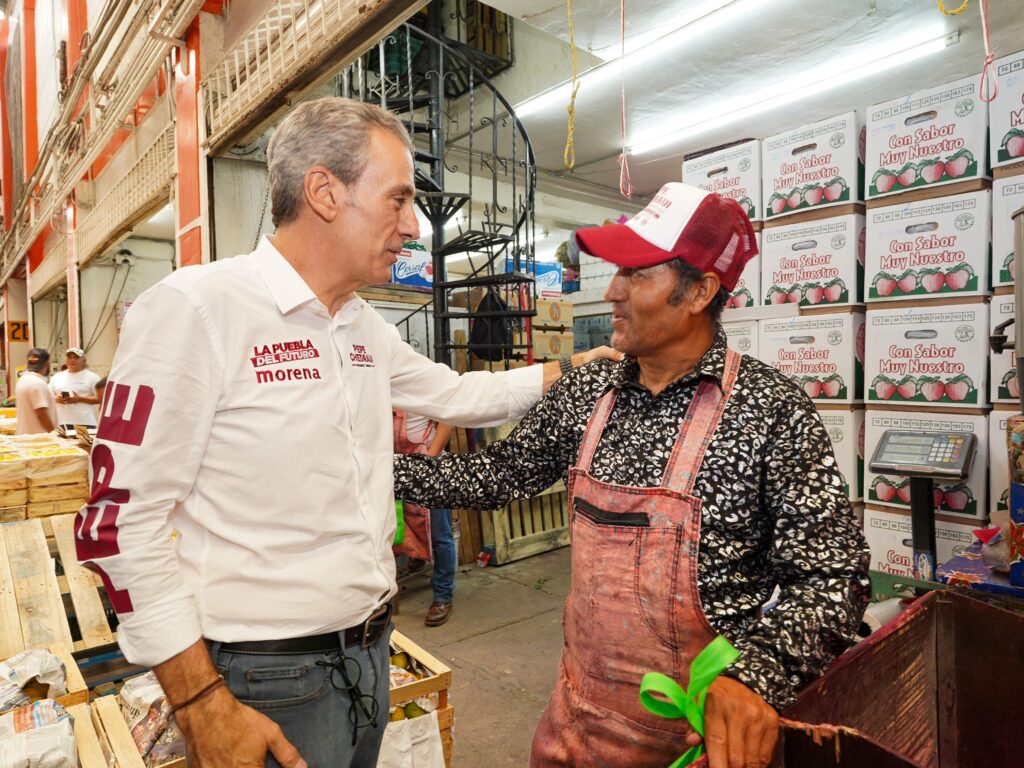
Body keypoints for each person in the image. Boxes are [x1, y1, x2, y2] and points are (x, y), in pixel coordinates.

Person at [75, 96, 617, 768]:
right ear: (325, 193)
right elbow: (118, 523)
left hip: (365, 658)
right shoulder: (199, 310)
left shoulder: (358, 325)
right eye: (397, 200)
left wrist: (569, 367)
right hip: (261, 680)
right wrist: (199, 702)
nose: (414, 227)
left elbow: (454, 393)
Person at [394, 183, 872, 768]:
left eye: (637, 274)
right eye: (618, 271)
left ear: (699, 291)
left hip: (696, 739)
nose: (613, 291)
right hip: (577, 721)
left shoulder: (770, 411)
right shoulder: (589, 391)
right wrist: (375, 470)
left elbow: (833, 579)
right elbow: (501, 474)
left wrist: (757, 676)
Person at [392, 409, 456, 626]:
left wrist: (430, 459)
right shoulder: (378, 384)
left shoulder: (422, 378)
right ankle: (416, 558)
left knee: (439, 534)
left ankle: (443, 596)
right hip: (397, 465)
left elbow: (447, 420)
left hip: (429, 465)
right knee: (401, 526)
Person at [49, 347, 102, 430]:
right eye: (69, 357)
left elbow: (101, 399)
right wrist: (57, 399)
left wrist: (79, 399)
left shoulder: (93, 377)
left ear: (84, 361)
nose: (72, 360)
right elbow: (48, 397)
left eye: (76, 358)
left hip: (86, 423)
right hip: (62, 423)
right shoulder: (56, 377)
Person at [15, 348, 58, 435]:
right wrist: (53, 434)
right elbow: (41, 414)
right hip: (39, 437)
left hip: (27, 436)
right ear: (47, 363)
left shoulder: (23, 380)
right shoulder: (37, 383)